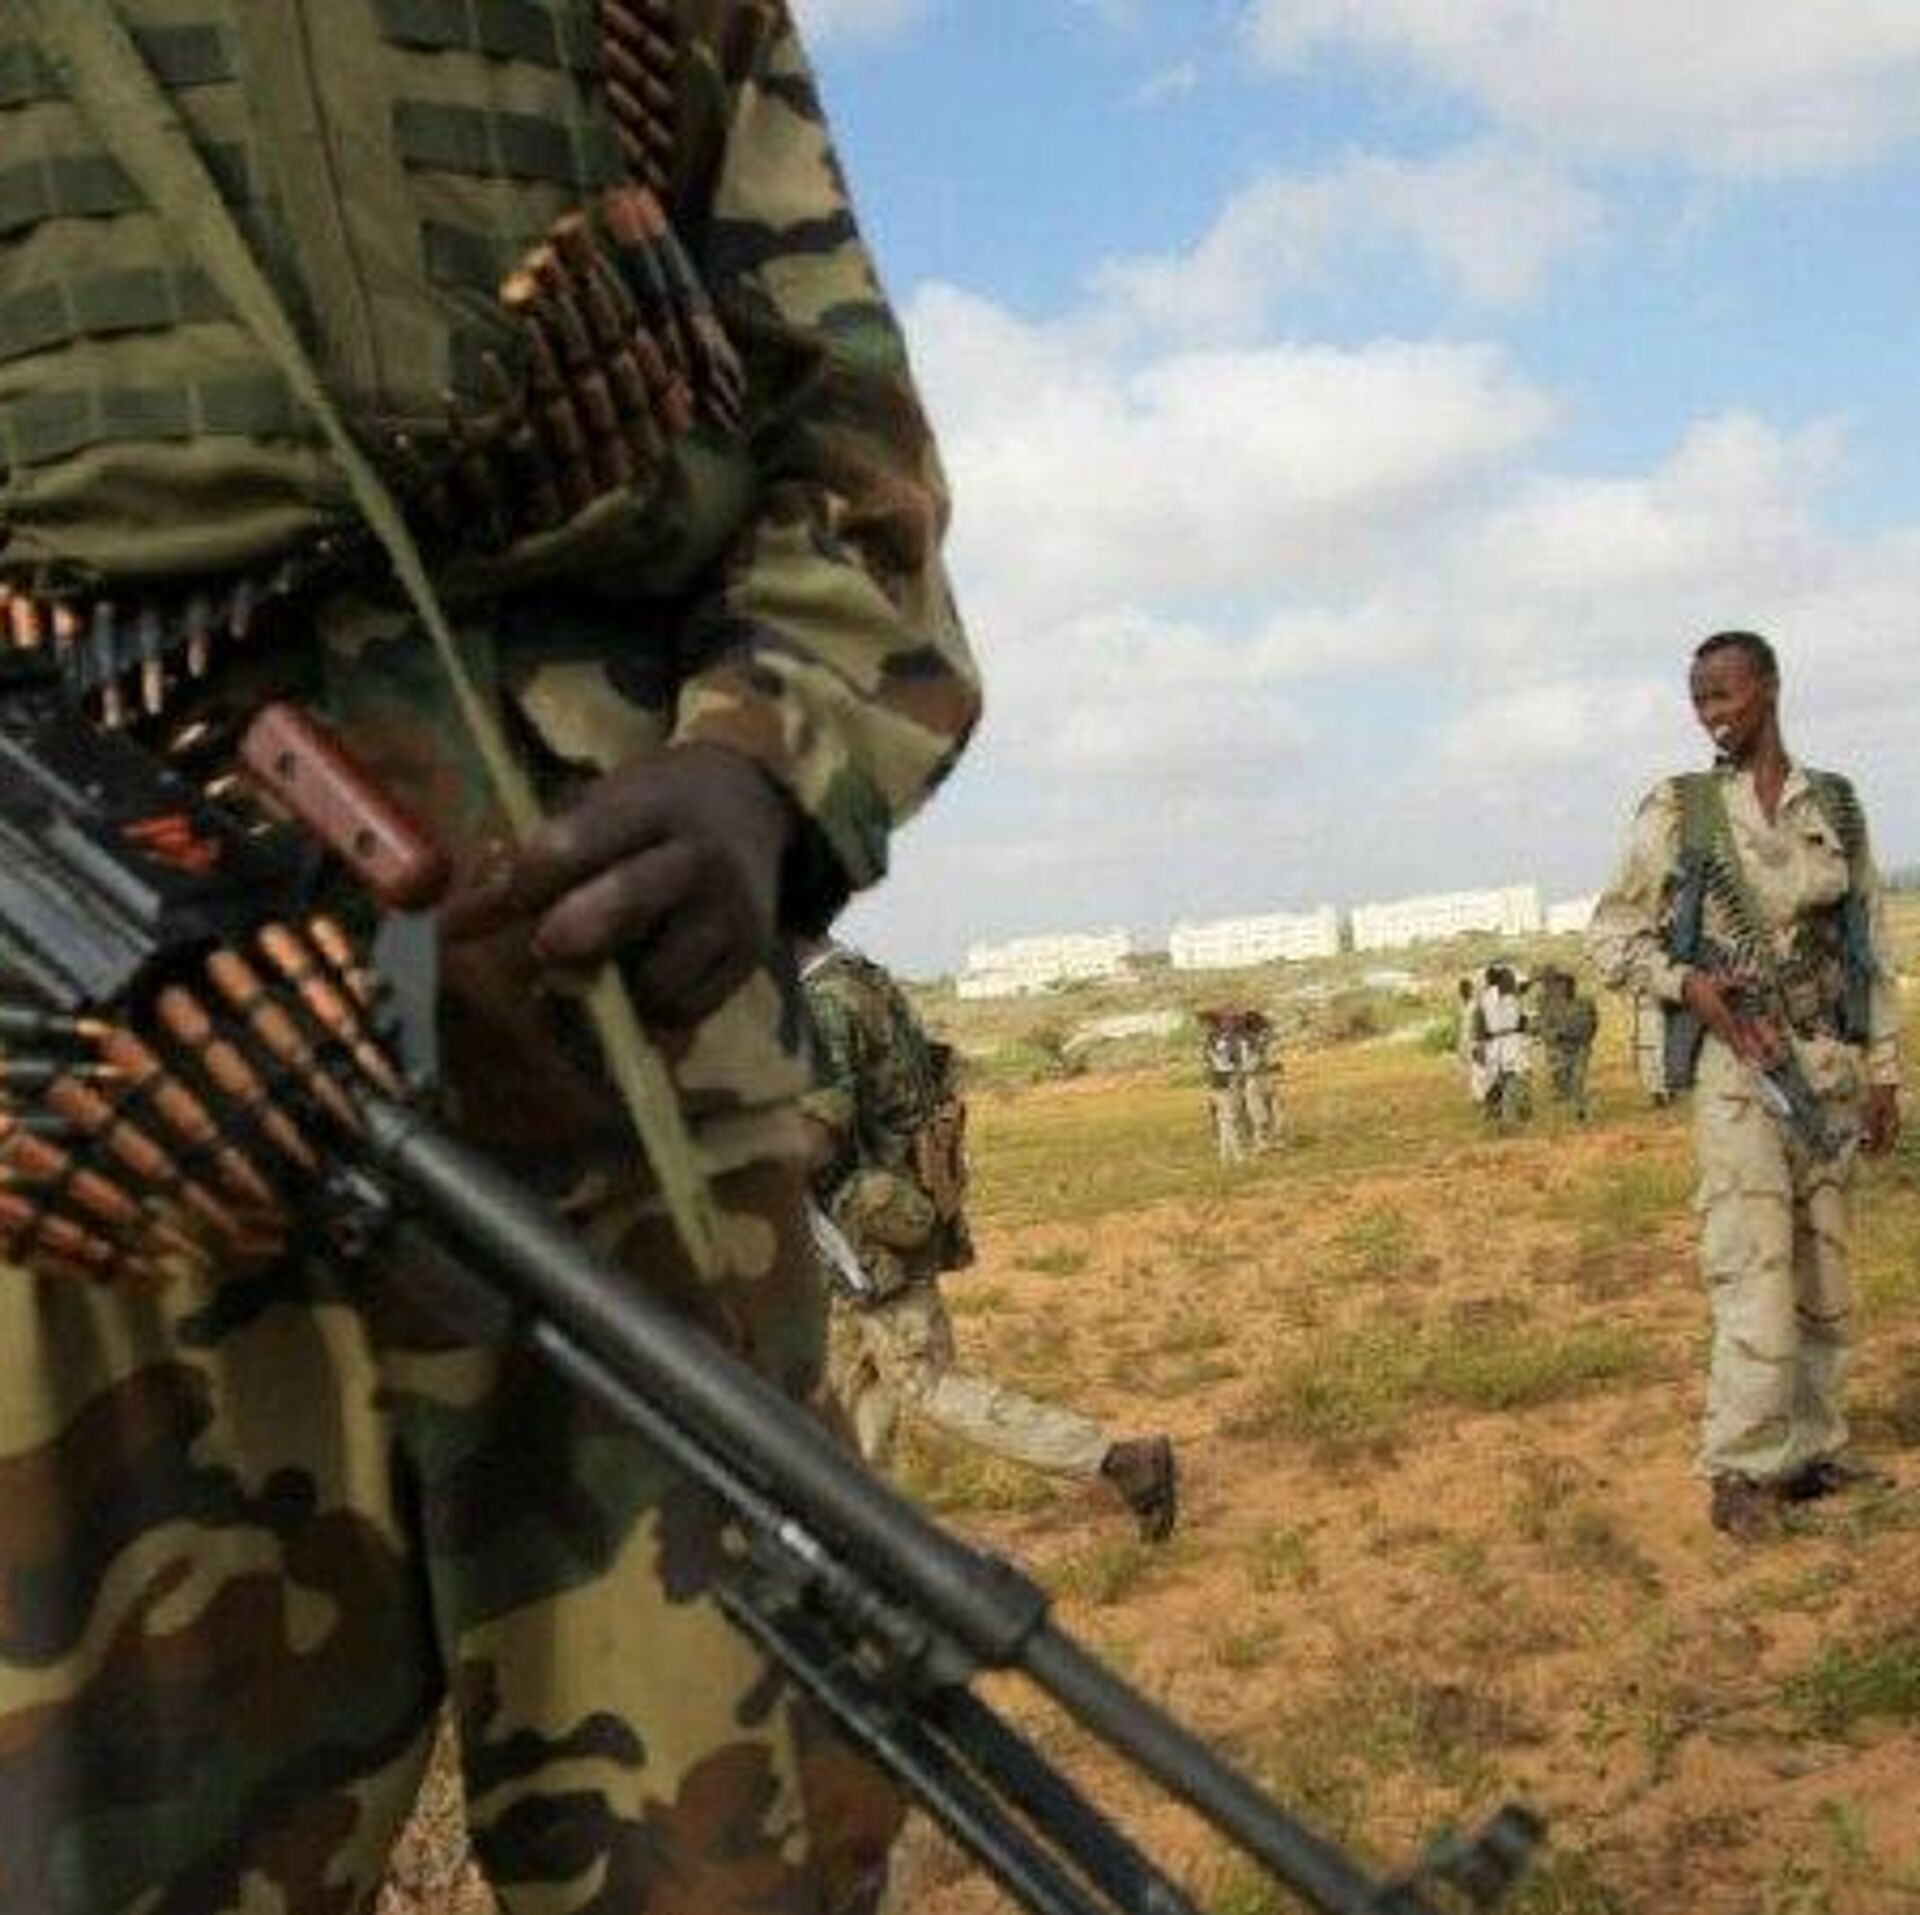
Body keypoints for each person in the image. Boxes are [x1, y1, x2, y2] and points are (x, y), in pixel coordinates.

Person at [0, 6, 980, 1908]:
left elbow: (842, 430)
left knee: (742, 1872)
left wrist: (762, 764)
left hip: (621, 1026)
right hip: (99, 1073)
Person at [1588, 630, 1901, 1542]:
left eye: (1724, 693)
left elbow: (1871, 944)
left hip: (1830, 1066)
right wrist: (1687, 984)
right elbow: (1610, 937)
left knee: (1824, 1272)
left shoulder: (1836, 804)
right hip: (1740, 1067)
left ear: (1769, 686)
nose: (1712, 714)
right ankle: (1742, 1468)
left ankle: (1812, 1448)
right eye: (1700, 700)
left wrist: (1884, 1071)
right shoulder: (1679, 810)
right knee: (1753, 1263)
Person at [798, 934, 1178, 1542]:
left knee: (926, 1382)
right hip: (884, 1218)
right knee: (849, 1384)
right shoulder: (861, 978)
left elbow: (815, 1142)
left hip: (868, 1237)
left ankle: (1120, 1462)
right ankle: (854, 1528)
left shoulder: (823, 1004)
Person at [1472, 965, 1532, 1129]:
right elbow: (1480, 1024)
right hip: (1498, 1043)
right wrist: (1479, 1045)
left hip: (1510, 1042)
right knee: (1501, 1081)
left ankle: (1506, 1116)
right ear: (1501, 981)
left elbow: (1525, 986)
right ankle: (1502, 1116)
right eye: (1509, 979)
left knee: (1512, 1079)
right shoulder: (1487, 998)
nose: (1512, 982)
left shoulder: (1513, 997)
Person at [1534, 967, 1598, 1121]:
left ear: (1573, 985)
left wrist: (1588, 1037)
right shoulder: (1551, 1005)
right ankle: (1579, 1103)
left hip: (1581, 1047)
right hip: (1562, 1049)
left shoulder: (1585, 1001)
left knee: (1578, 1079)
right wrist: (1554, 1035)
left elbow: (1594, 1022)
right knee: (1564, 1081)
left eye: (1567, 985)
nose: (1564, 989)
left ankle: (1581, 1110)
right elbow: (1544, 1026)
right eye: (1560, 986)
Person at [1202, 1009, 1251, 1162]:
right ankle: (1237, 1154)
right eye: (1227, 1021)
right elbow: (1218, 1062)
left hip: (1227, 1079)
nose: (1229, 1024)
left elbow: (1238, 1062)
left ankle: (1225, 1155)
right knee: (1229, 1117)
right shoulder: (1217, 1040)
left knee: (1226, 1118)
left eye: (1231, 1021)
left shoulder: (1229, 1040)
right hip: (1222, 1080)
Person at [1233, 1008, 1283, 1152]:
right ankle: (1262, 1142)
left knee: (1271, 1112)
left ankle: (1269, 1141)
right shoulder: (1246, 1043)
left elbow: (1271, 1059)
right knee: (1260, 1113)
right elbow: (1247, 1065)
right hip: (1256, 1079)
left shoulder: (1261, 1040)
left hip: (1265, 1078)